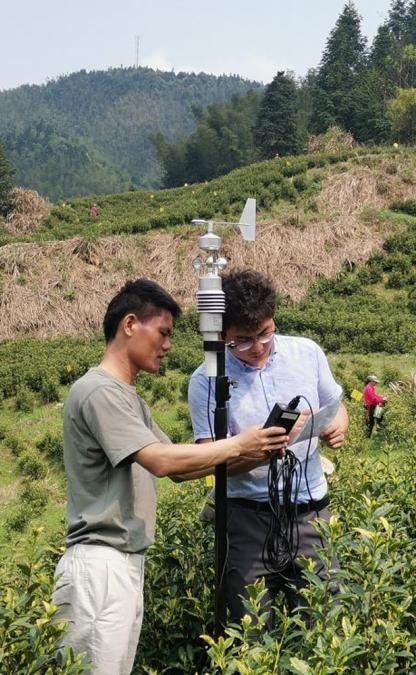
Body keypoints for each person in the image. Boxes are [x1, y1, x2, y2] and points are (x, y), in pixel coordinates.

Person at [53, 278, 289, 675]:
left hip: (123, 564)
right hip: (100, 564)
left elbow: (187, 466)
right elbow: (162, 462)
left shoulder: (129, 398)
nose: (168, 345)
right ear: (130, 325)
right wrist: (236, 444)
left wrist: (258, 449)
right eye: (162, 333)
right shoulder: (98, 391)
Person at [186, 269, 349, 623]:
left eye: (265, 334)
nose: (257, 347)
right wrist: (256, 451)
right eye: (242, 341)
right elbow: (208, 460)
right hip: (247, 519)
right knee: (250, 628)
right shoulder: (205, 381)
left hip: (310, 514)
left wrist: (336, 427)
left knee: (322, 623)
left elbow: (336, 405)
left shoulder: (307, 353)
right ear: (223, 334)